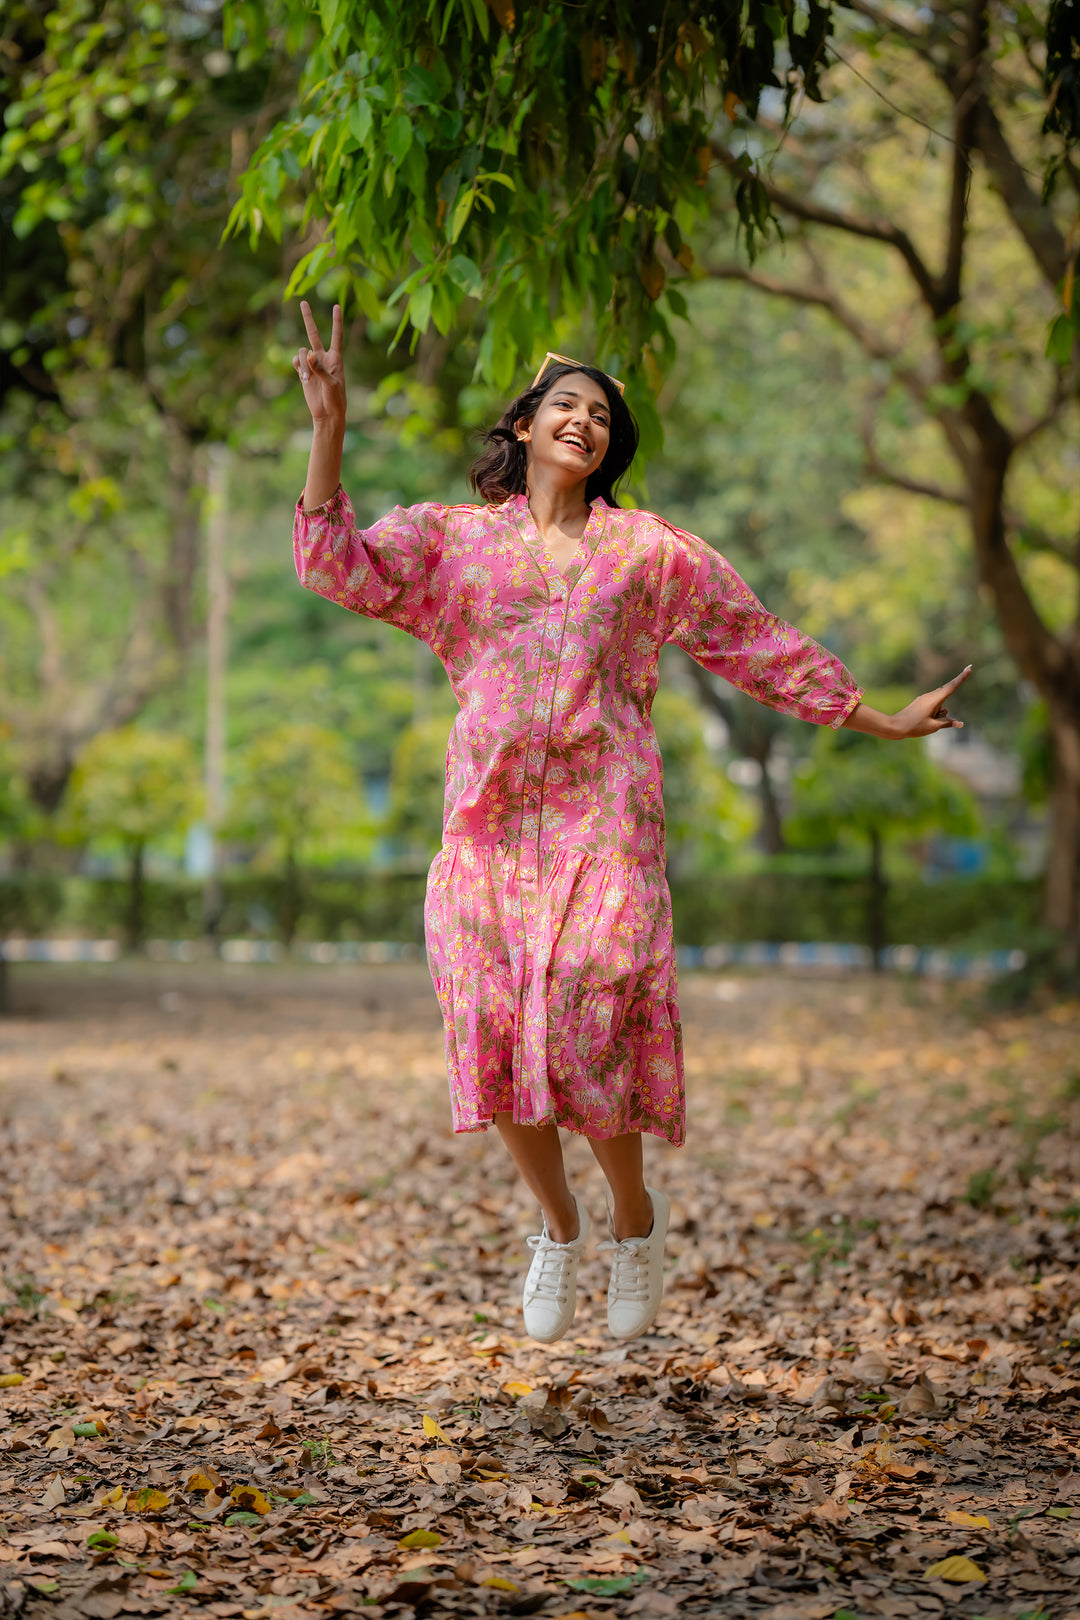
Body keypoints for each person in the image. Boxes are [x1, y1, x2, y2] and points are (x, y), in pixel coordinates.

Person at [291, 302, 970, 1346]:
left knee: (590, 1012)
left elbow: (754, 639)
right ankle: (557, 1229)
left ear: (611, 445)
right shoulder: (450, 543)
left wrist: (872, 715)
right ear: (523, 428)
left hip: (606, 828)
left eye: (602, 414)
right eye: (566, 404)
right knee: (489, 1026)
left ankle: (634, 1223)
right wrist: (328, 435)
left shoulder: (649, 553)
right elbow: (338, 568)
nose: (585, 421)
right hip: (486, 835)